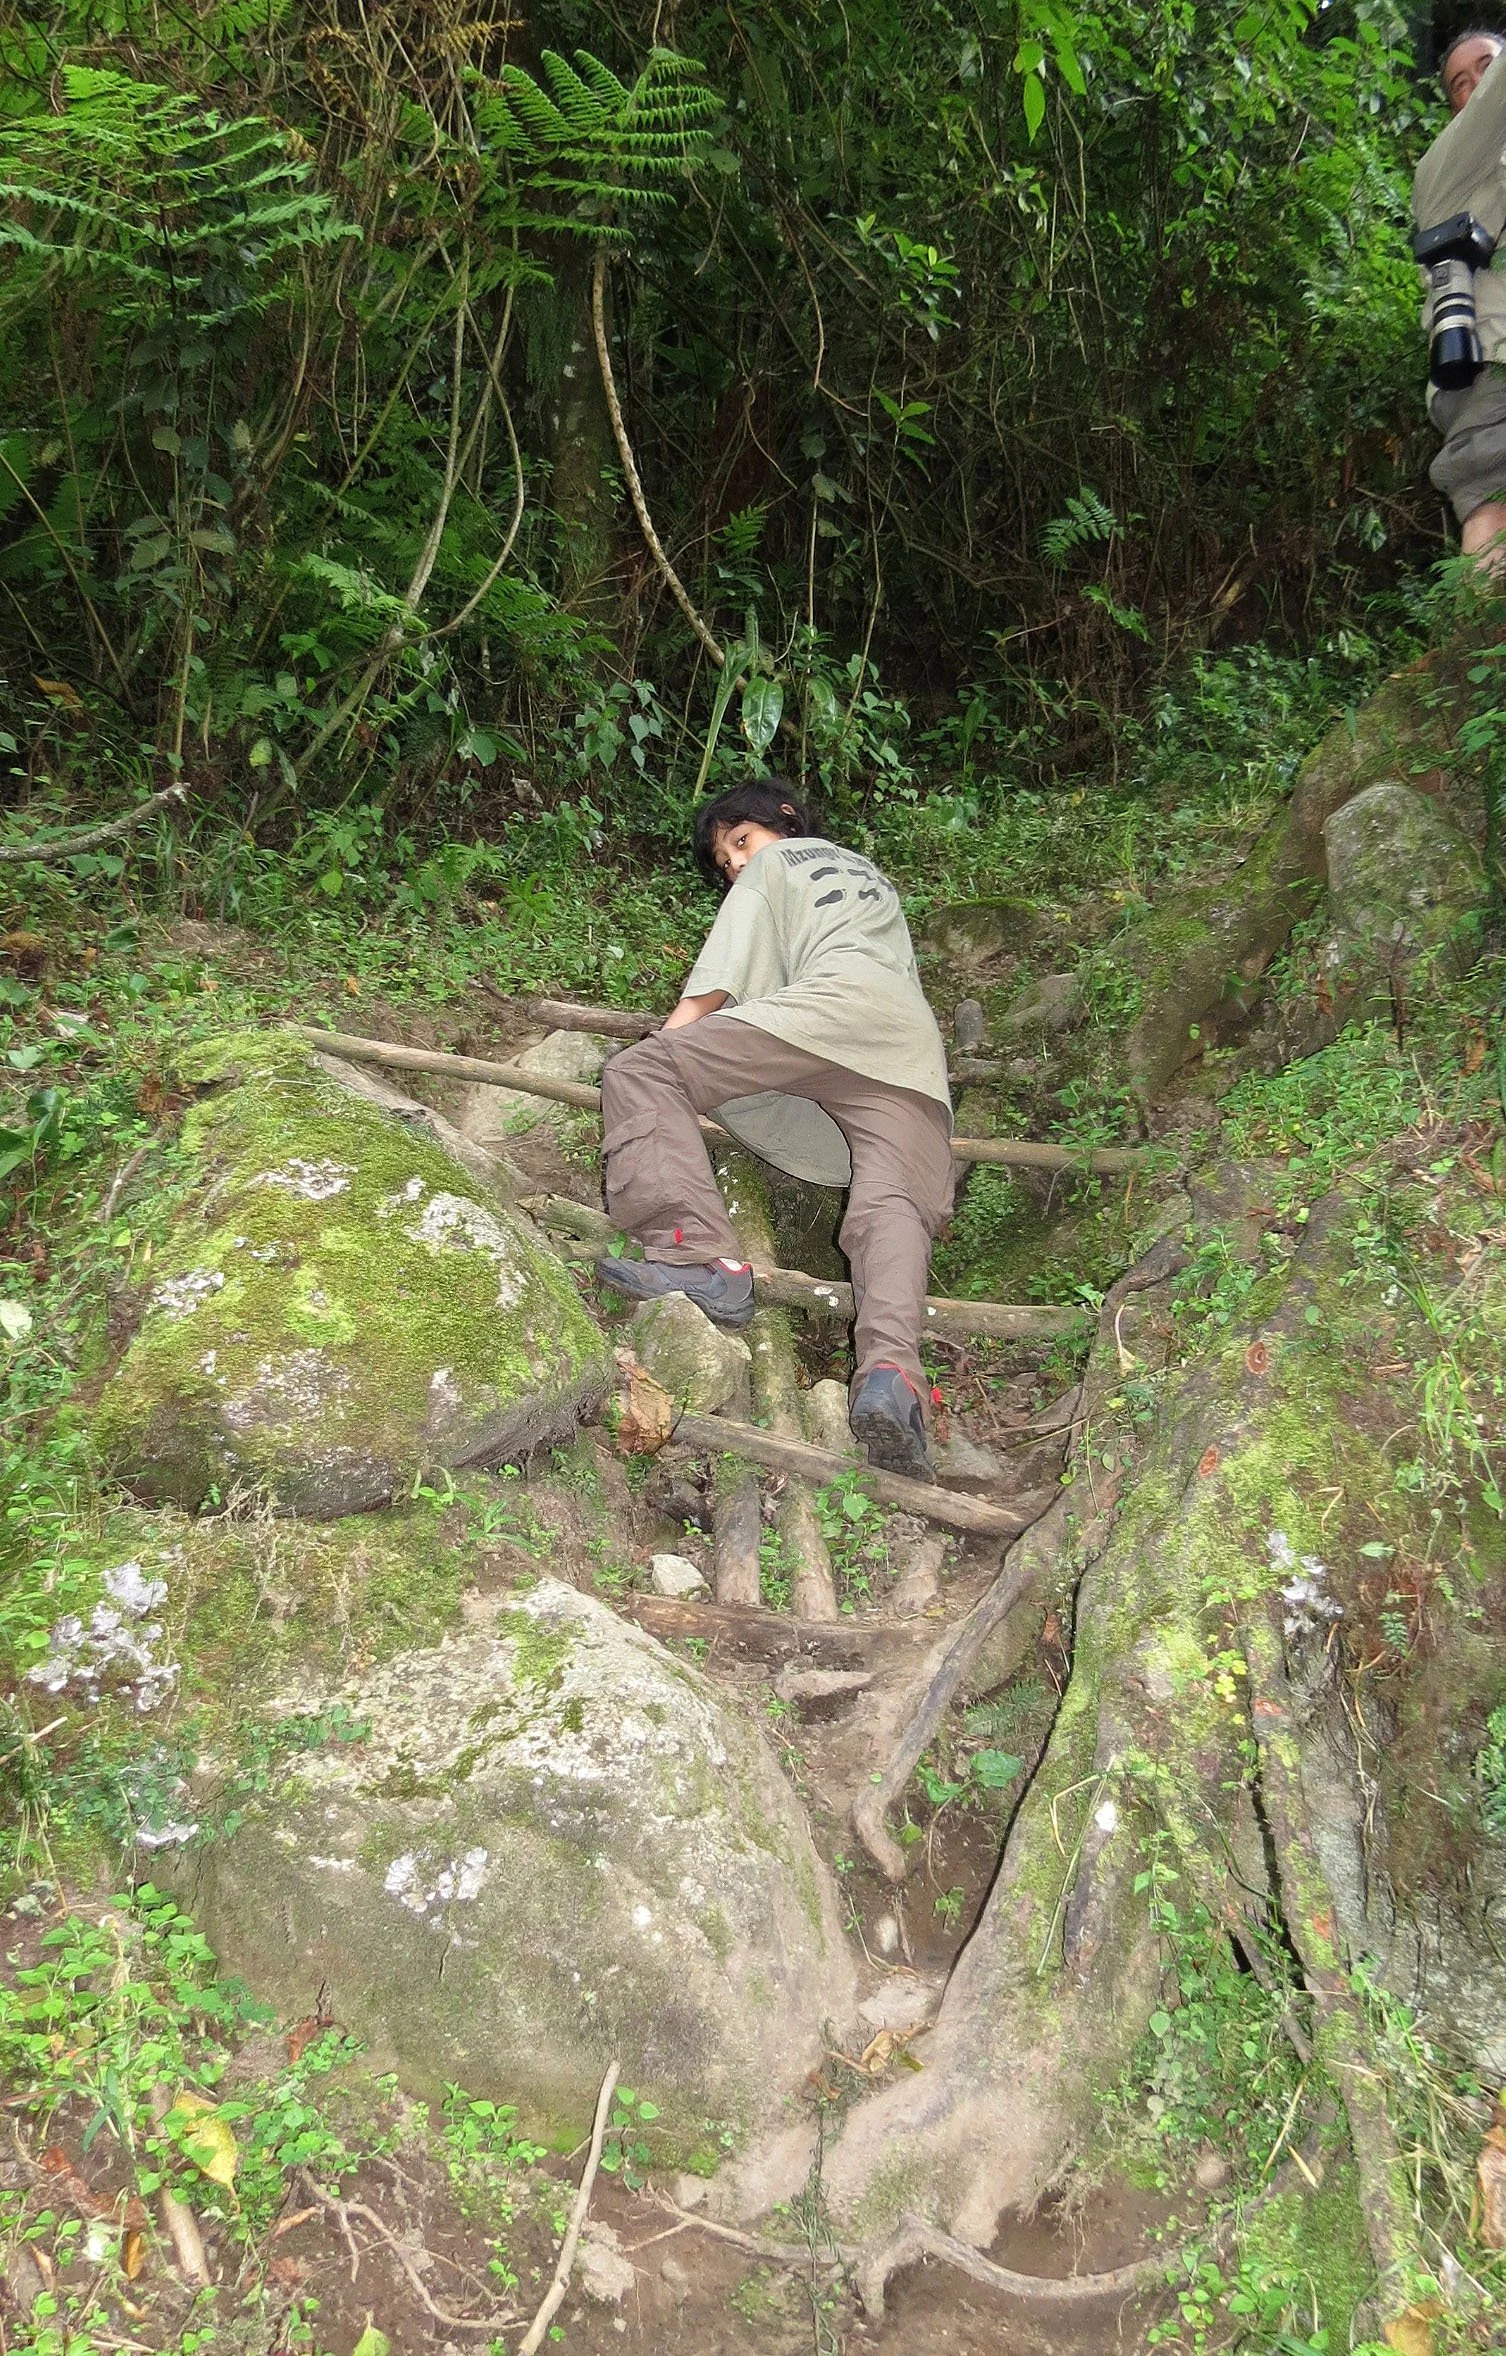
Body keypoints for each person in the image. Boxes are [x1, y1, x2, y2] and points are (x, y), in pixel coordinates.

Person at [595, 780, 954, 1479]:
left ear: (784, 820)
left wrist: (670, 1046)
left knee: (640, 1073)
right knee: (892, 1206)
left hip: (824, 1017)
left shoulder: (775, 865)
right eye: (726, 860)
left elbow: (718, 982)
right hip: (910, 1052)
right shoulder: (872, 880)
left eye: (740, 841)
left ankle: (697, 1256)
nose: (734, 865)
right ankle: (893, 1380)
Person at [1414, 27, 1506, 567]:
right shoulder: (1443, 171)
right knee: (1492, 502)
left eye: (1485, 67)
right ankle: (1479, 649)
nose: (1477, 85)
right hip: (1487, 365)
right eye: (1460, 83)